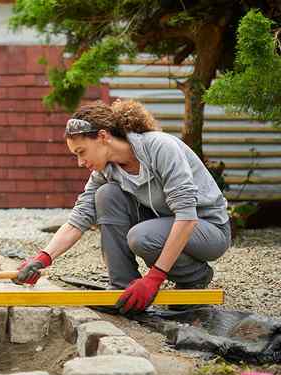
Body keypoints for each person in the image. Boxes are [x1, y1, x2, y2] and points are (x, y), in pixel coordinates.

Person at [16, 100, 232, 314]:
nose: (80, 162)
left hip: (208, 229)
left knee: (142, 236)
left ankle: (194, 277)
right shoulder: (106, 171)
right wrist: (42, 259)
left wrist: (154, 279)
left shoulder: (159, 148)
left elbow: (186, 217)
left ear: (102, 137)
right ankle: (123, 287)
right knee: (107, 195)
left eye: (81, 152)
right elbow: (79, 218)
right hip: (165, 222)